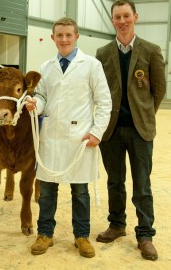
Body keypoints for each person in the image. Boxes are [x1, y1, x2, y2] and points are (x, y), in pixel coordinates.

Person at [26, 18, 112, 258]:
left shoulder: (92, 65)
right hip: (51, 136)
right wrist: (36, 104)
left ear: (76, 37)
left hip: (79, 138)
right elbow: (43, 96)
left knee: (80, 191)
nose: (64, 39)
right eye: (59, 35)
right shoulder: (46, 67)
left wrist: (97, 132)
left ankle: (81, 236)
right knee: (47, 190)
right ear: (53, 38)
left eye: (68, 35)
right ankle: (45, 234)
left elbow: (104, 101)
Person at [95, 0, 166, 261]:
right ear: (112, 20)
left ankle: (145, 235)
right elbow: (98, 91)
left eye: (126, 15)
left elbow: (158, 91)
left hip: (140, 131)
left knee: (142, 184)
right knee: (115, 181)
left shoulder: (151, 50)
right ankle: (116, 225)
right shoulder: (102, 53)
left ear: (135, 17)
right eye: (117, 17)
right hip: (110, 131)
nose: (122, 21)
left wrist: (144, 115)